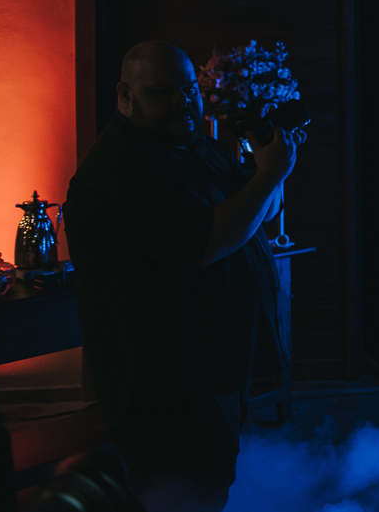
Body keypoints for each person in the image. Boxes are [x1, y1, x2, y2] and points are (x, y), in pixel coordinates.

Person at [64, 41, 306, 512]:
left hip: (209, 366)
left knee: (211, 481)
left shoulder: (193, 145)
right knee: (181, 494)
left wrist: (270, 170)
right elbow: (204, 243)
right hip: (164, 382)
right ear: (125, 96)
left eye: (189, 90)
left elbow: (253, 214)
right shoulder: (118, 169)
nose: (182, 102)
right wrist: (266, 177)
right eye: (162, 92)